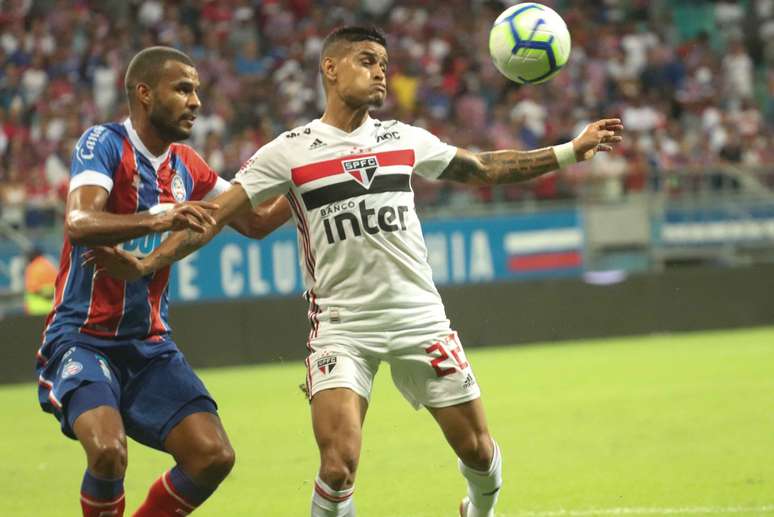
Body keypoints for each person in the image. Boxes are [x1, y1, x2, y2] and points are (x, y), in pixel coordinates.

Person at [89, 28, 624, 516]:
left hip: (420, 318)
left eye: (384, 64)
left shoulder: (404, 138)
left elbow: (482, 167)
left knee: (478, 451)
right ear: (330, 68)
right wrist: (148, 263)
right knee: (337, 466)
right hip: (341, 327)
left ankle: (478, 510)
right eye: (367, 61)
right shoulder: (288, 152)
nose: (380, 72)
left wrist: (569, 151)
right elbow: (213, 216)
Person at [36, 46, 290, 517]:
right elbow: (79, 222)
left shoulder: (188, 165)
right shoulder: (103, 143)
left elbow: (254, 222)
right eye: (183, 89)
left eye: (197, 90)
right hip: (82, 338)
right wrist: (159, 217)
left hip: (149, 345)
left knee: (212, 456)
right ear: (145, 93)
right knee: (108, 451)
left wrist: (303, 180)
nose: (196, 101)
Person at [24, 247, 58, 315]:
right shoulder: (50, 265)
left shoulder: (33, 268)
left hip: (37, 310)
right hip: (52, 307)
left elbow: (33, 289)